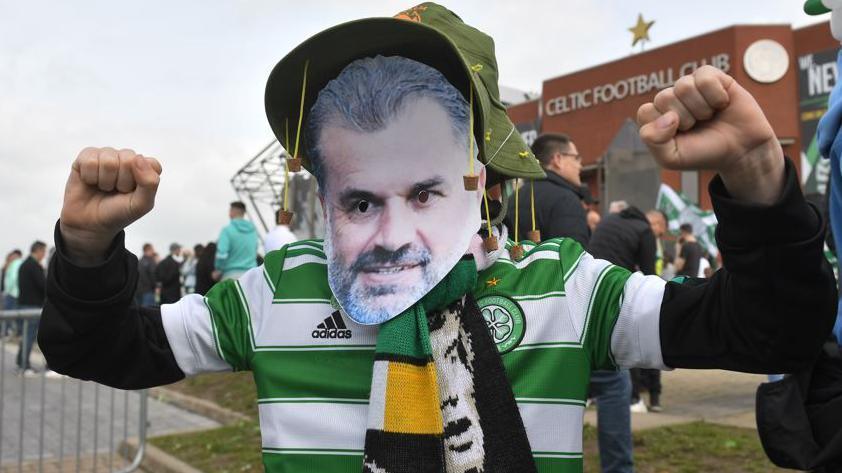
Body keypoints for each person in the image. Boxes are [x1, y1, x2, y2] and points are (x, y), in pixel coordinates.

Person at [39, 4, 837, 473]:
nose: (393, 234)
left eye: (424, 188)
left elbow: (773, 326)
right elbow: (103, 347)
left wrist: (761, 182)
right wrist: (83, 248)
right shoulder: (274, 295)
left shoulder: (565, 291)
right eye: (359, 196)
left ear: (481, 175)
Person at [505, 133, 589, 246]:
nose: (580, 165)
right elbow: (573, 256)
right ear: (558, 159)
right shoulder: (566, 200)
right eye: (576, 158)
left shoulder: (512, 198)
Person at [16, 241, 47, 375]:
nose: (44, 255)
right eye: (43, 252)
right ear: (38, 251)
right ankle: (24, 366)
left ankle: (20, 362)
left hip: (23, 304)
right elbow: (42, 285)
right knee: (29, 336)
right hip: (32, 305)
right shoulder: (33, 266)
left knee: (25, 335)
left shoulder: (24, 264)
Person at [214, 202, 258, 281]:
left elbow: (222, 255)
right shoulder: (253, 231)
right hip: (251, 277)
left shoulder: (227, 230)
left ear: (232, 212)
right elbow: (255, 251)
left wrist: (219, 269)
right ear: (243, 213)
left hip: (231, 276)